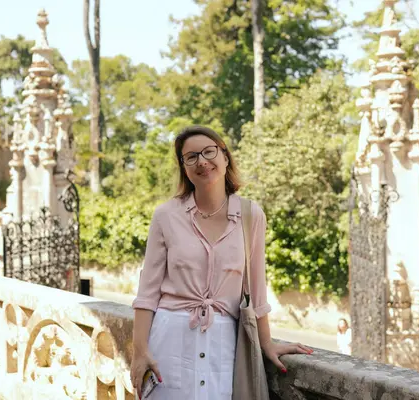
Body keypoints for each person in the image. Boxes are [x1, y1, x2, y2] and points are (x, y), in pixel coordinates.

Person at [130, 125, 312, 400]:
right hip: (169, 340)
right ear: (184, 167)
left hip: (224, 343)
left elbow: (256, 288)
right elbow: (147, 293)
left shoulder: (251, 215)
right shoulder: (166, 215)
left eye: (209, 152)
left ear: (225, 157)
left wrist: (266, 343)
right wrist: (140, 352)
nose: (201, 161)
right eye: (191, 157)